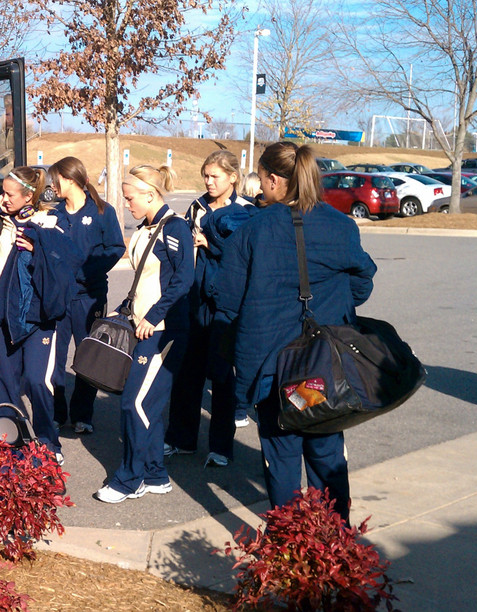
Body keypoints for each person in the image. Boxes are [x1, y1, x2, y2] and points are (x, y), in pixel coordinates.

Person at [215, 142, 376, 523]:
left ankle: (289, 551)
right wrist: (329, 306)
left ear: (272, 180)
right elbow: (362, 284)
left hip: (272, 368)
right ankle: (335, 548)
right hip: (325, 366)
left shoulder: (252, 231)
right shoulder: (341, 225)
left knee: (281, 460)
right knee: (327, 455)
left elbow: (226, 304)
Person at [0, 166, 83, 464]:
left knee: (39, 382)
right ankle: (10, 441)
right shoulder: (0, 223)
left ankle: (48, 443)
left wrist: (37, 247)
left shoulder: (50, 220)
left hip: (36, 316)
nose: (4, 198)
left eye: (9, 194)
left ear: (30, 195)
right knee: (4, 382)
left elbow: (69, 260)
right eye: (2, 193)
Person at [94, 164, 193, 504]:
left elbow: (183, 280)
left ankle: (129, 479)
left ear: (150, 194)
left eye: (130, 198)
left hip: (165, 332)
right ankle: (154, 474)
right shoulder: (146, 228)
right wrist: (126, 310)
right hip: (143, 328)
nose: (127, 205)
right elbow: (144, 282)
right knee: (145, 405)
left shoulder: (175, 227)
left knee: (133, 403)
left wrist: (153, 316)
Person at [164, 151, 252, 468]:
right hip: (193, 300)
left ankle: (220, 448)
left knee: (221, 379)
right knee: (186, 374)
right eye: (206, 175)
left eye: (215, 176)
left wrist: (211, 245)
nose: (209, 181)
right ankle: (181, 439)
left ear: (232, 177)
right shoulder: (197, 206)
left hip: (224, 307)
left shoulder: (245, 211)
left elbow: (245, 258)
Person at [47, 157, 125, 434]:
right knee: (53, 358)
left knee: (87, 355)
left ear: (70, 180)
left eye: (56, 179)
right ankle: (56, 414)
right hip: (58, 299)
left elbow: (115, 248)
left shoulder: (103, 212)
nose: (52, 185)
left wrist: (84, 274)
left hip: (89, 296)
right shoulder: (54, 215)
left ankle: (83, 415)